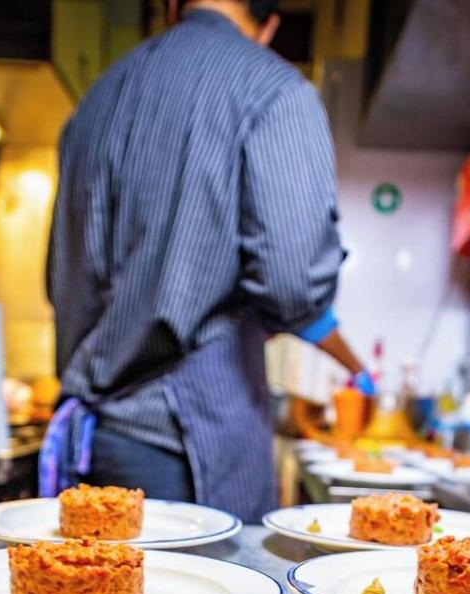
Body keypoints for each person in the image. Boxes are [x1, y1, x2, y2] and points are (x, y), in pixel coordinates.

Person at [41, 0, 371, 523]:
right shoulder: (271, 88)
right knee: (206, 578)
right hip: (191, 442)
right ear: (269, 24)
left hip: (95, 437)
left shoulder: (97, 98)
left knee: (106, 575)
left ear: (172, 7)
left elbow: (61, 276)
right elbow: (293, 282)